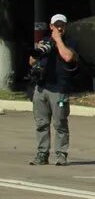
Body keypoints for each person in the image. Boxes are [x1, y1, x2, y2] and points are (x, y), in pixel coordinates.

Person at [28, 13, 77, 166]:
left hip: (59, 90)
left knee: (60, 123)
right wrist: (40, 48)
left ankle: (61, 155)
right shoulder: (45, 41)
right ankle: (42, 154)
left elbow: (68, 57)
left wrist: (58, 40)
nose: (59, 27)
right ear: (51, 27)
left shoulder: (70, 42)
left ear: (65, 26)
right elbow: (31, 61)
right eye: (56, 25)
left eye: (62, 25)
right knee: (41, 123)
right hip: (41, 88)